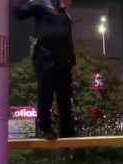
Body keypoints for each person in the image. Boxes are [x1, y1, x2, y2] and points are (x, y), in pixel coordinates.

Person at [14, 0, 78, 139]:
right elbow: (19, 13)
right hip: (45, 56)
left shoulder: (65, 15)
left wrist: (73, 62)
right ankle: (45, 127)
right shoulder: (43, 4)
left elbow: (68, 39)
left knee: (65, 95)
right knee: (46, 91)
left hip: (64, 59)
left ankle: (67, 129)